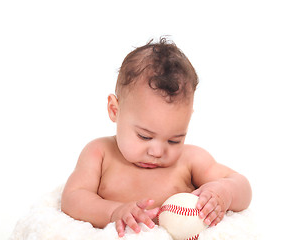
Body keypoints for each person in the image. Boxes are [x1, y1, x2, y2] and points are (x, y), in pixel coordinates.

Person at [61, 38, 252, 237]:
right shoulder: (100, 153)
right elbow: (73, 198)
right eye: (144, 136)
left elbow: (242, 185)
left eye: (174, 140)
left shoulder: (191, 160)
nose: (157, 152)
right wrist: (113, 212)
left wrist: (224, 192)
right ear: (114, 110)